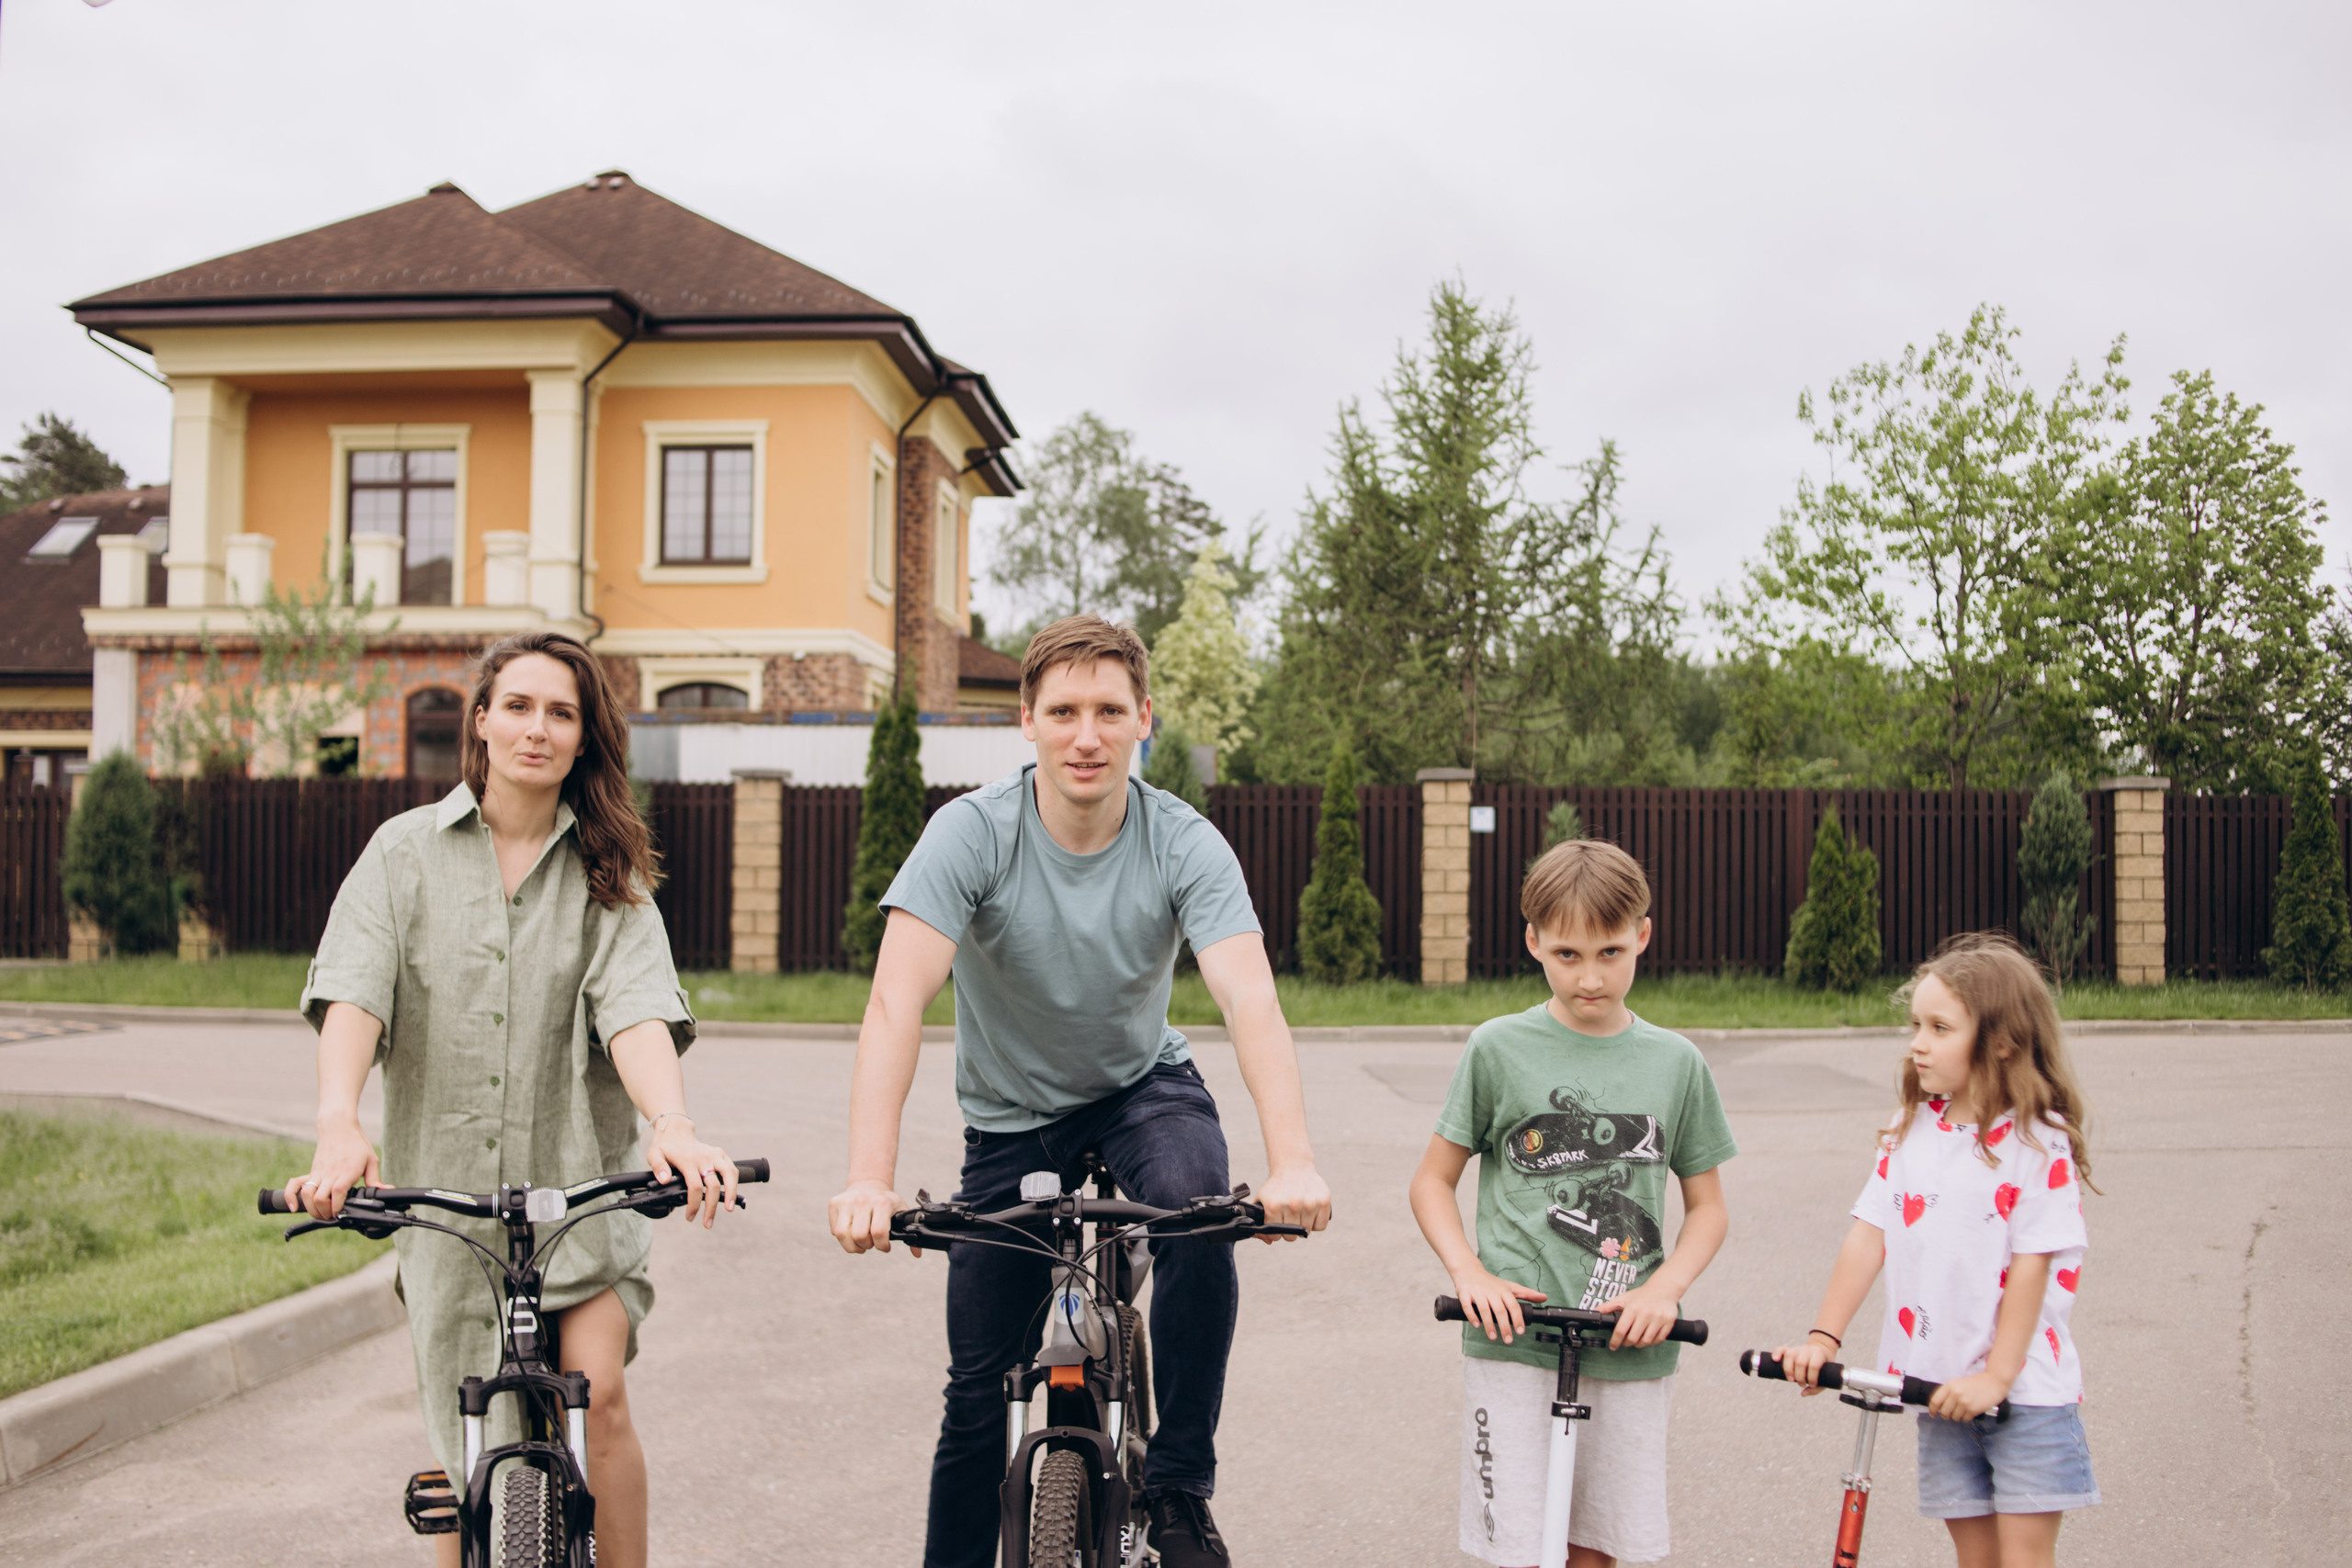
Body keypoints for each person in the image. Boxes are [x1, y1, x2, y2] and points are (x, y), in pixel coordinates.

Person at [826, 615, 1334, 1568]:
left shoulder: (1181, 838)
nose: (1086, 735)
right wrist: (868, 1176)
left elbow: (1247, 996)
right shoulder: (971, 833)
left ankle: (1179, 1488)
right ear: (1027, 721)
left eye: (1109, 711)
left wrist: (1293, 1162)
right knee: (978, 1389)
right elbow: (896, 1000)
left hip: (1145, 1087)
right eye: (1063, 711)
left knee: (1198, 1213)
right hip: (1011, 1119)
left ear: (1144, 718)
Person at [286, 630, 740, 1568]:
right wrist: (339, 1125)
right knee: (465, 1444)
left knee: (598, 1395)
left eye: (562, 713)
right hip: (447, 1209)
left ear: (584, 739)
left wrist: (675, 1128)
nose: (538, 728)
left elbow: (637, 1016)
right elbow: (357, 994)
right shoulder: (402, 855)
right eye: (520, 706)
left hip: (579, 1204)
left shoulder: (611, 874)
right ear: (483, 721)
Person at [1409, 838, 1735, 1568]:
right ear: (1532, 942)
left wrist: (1666, 1288)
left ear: (1644, 934)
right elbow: (1432, 1181)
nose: (1590, 977)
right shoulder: (1497, 1049)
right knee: (1519, 1549)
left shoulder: (1676, 1062)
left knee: (1597, 1550)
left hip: (1630, 1347)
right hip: (1515, 1343)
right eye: (1566, 955)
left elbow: (1709, 1207)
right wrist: (1469, 1273)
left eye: (1611, 952)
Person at [1770, 932, 2100, 1568]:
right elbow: (1870, 1233)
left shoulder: (2037, 1142)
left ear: (2001, 1039)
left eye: (1940, 1026)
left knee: (2023, 1558)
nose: (1918, 1041)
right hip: (1937, 1389)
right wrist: (1822, 1338)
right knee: (1974, 1559)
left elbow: (2034, 1262)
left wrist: (1996, 1377)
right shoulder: (1910, 1129)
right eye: (1916, 1023)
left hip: (2024, 1391)